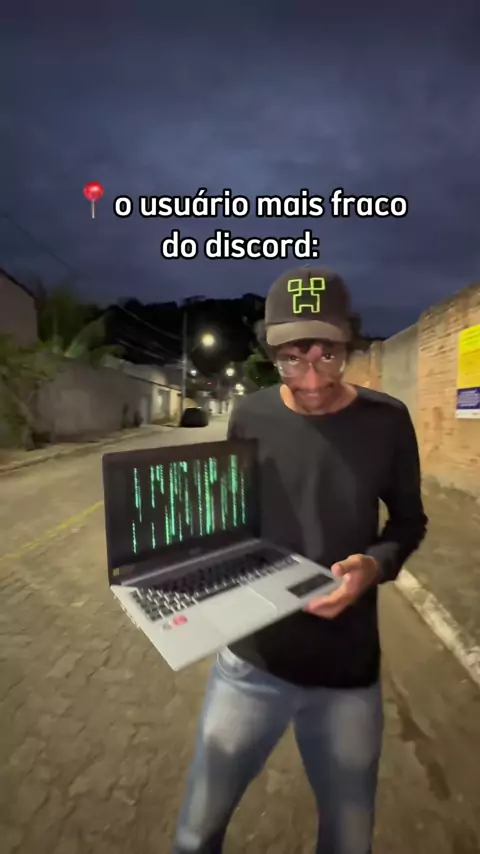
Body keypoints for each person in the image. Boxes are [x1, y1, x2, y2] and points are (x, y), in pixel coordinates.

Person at [171, 266, 428, 854]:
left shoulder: (387, 421)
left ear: (349, 345)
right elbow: (234, 519)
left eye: (327, 356)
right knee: (194, 835)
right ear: (272, 354)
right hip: (251, 663)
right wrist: (195, 558)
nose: (311, 379)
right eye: (292, 359)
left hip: (347, 675)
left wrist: (373, 565)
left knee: (348, 842)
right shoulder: (250, 416)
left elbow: (409, 522)